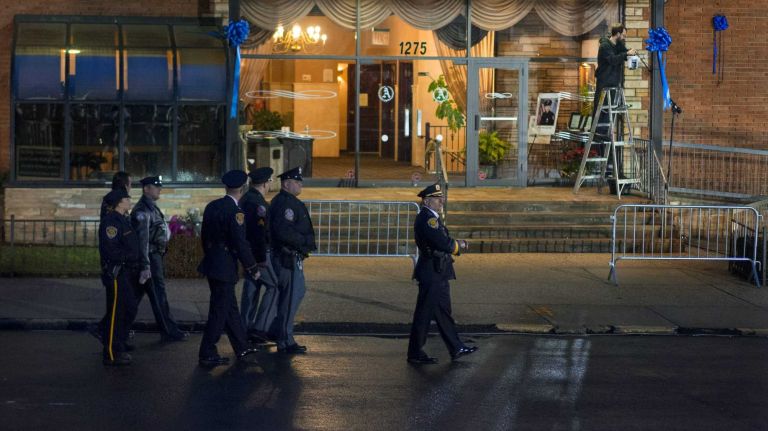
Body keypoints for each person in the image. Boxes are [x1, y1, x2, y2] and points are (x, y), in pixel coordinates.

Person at [407, 183, 477, 365]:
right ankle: (415, 353)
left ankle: (456, 347)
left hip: (438, 271)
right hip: (432, 272)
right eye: (438, 199)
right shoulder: (427, 219)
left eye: (441, 198)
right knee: (424, 314)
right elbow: (442, 243)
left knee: (443, 313)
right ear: (427, 200)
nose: (442, 201)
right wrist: (458, 245)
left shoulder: (431, 217)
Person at [197, 170, 261, 368]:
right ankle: (207, 351)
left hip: (213, 263)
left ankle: (241, 345)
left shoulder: (213, 206)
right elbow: (240, 243)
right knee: (219, 311)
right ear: (242, 189)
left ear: (226, 187)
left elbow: (204, 236)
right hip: (225, 266)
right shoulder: (236, 213)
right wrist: (252, 267)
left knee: (230, 308)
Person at [130, 176, 188, 342]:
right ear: (146, 189)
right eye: (156, 187)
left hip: (153, 257)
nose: (159, 189)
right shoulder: (143, 210)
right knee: (158, 295)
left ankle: (112, 329)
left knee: (134, 298)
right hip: (150, 258)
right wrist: (146, 265)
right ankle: (168, 330)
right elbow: (142, 241)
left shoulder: (151, 208)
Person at [269, 167, 316, 354]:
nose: (300, 184)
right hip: (287, 257)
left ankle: (279, 332)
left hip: (291, 256)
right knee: (290, 299)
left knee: (293, 295)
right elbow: (284, 232)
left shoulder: (287, 201)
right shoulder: (285, 204)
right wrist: (304, 242)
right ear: (287, 184)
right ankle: (284, 339)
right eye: (297, 181)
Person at [98, 189, 140, 366]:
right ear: (119, 202)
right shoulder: (111, 222)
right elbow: (111, 249)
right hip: (116, 272)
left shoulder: (123, 219)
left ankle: (118, 341)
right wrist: (128, 257)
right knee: (117, 312)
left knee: (129, 307)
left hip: (126, 271)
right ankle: (112, 352)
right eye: (126, 198)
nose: (129, 200)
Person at [91, 171, 133, 344]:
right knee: (116, 302)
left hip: (120, 261)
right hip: (115, 263)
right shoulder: (112, 204)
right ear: (124, 185)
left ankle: (113, 335)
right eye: (130, 183)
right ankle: (109, 337)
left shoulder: (113, 202)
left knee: (122, 302)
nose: (131, 187)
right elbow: (113, 235)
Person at [239, 167, 280, 343]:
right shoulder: (258, 204)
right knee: (274, 287)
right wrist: (261, 258)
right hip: (259, 254)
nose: (270, 184)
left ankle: (245, 327)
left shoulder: (246, 199)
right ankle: (260, 327)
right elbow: (259, 233)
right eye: (270, 181)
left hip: (248, 253)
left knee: (252, 288)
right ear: (265, 183)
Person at [593, 23, 637, 167]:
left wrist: (630, 52)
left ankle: (605, 138)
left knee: (609, 114)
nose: (624, 37)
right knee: (602, 114)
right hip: (604, 84)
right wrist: (626, 54)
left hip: (613, 85)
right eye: (623, 35)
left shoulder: (617, 45)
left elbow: (623, 52)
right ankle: (599, 140)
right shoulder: (605, 46)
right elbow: (612, 60)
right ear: (617, 34)